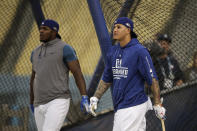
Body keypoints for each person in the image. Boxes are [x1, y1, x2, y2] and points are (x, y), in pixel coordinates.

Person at [89, 17, 166, 131]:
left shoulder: (139, 51)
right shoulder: (113, 51)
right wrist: (95, 97)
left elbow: (152, 79)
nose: (115, 29)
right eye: (114, 27)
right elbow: (107, 79)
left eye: (119, 27)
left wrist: (157, 103)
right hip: (121, 106)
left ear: (128, 30)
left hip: (134, 105)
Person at [29, 19, 89, 131]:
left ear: (54, 32)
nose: (41, 31)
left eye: (45, 29)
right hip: (38, 103)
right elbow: (33, 78)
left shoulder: (65, 48)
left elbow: (77, 73)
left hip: (58, 100)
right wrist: (31, 101)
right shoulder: (35, 52)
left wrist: (84, 96)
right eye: (40, 29)